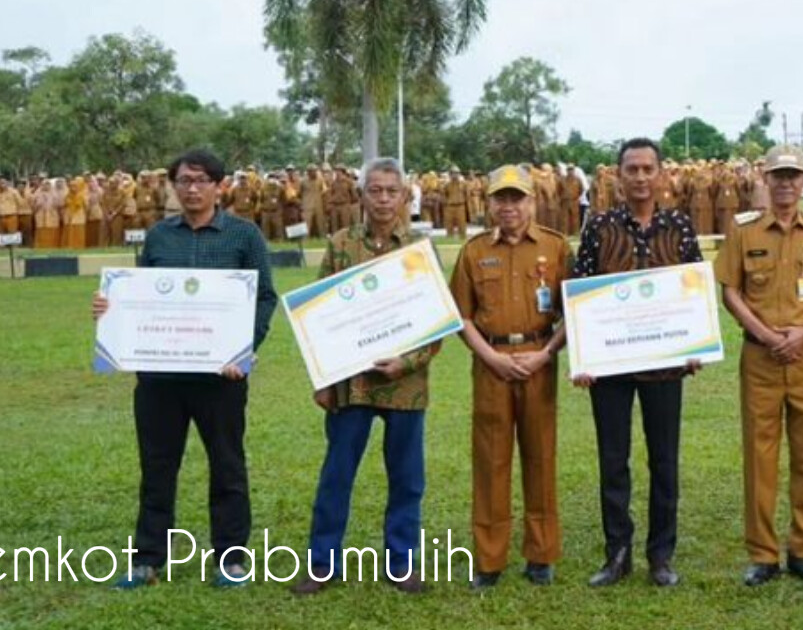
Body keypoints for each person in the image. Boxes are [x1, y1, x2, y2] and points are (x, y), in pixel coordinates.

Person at [92, 149, 277, 588]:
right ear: (173, 186)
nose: (192, 188)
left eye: (200, 180)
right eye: (183, 181)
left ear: (219, 186)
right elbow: (138, 297)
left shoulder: (243, 236)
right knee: (157, 468)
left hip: (220, 380)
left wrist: (244, 350)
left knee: (227, 466)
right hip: (159, 380)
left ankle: (231, 560)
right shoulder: (158, 237)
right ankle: (148, 560)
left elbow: (264, 297)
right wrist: (109, 308)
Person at [294, 157, 438, 596]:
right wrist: (321, 379)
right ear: (362, 195)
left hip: (405, 387)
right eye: (374, 190)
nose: (383, 199)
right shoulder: (340, 245)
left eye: (391, 191)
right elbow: (316, 318)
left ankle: (401, 563)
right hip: (349, 384)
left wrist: (406, 363)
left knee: (407, 480)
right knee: (337, 475)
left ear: (405, 197)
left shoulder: (419, 250)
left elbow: (438, 324)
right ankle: (322, 563)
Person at [714, 146, 803, 586]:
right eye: (778, 175)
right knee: (761, 457)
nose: (787, 183)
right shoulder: (743, 231)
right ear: (766, 180)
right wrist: (767, 334)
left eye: (794, 175)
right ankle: (763, 554)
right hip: (761, 357)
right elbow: (730, 292)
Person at [571, 138, 702, 588]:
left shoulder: (679, 226)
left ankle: (661, 557)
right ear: (618, 174)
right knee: (614, 461)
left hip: (665, 367)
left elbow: (694, 291)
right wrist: (583, 356)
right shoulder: (599, 226)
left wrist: (695, 346)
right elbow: (580, 289)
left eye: (649, 168)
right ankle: (617, 554)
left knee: (664, 462)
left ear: (661, 174)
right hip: (609, 368)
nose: (641, 177)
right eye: (633, 169)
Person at [453, 164, 569, 590]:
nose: (508, 206)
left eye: (516, 197)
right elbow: (461, 317)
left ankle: (541, 555)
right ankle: (489, 559)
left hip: (541, 358)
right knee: (491, 461)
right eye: (500, 198)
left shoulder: (556, 249)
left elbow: (572, 312)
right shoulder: (473, 251)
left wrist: (545, 354)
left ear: (532, 201)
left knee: (540, 457)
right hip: (491, 363)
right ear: (489, 204)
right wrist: (490, 356)